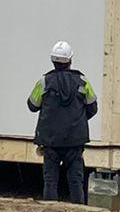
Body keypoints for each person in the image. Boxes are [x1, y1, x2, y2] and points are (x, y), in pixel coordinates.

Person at [27, 40, 98, 203]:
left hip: (50, 140)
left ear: (52, 61)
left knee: (50, 181)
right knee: (76, 181)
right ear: (70, 60)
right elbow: (93, 108)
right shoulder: (83, 81)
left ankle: (50, 211)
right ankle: (79, 211)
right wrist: (76, 120)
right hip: (75, 140)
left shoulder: (44, 82)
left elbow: (32, 105)